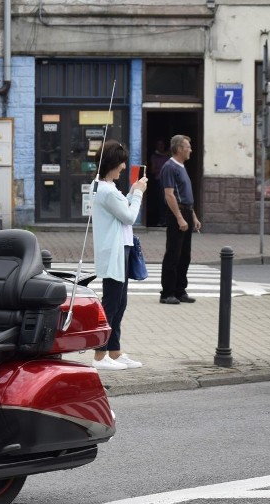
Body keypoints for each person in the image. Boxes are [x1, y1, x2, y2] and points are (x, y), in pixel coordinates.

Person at [91, 140, 147, 371]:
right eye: (122, 162)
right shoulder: (106, 190)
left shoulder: (104, 186)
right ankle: (99, 355)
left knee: (119, 302)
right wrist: (138, 194)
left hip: (119, 247)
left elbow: (120, 210)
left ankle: (114, 352)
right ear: (113, 163)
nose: (124, 167)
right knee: (112, 303)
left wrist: (131, 192)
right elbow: (129, 217)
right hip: (114, 250)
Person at [159, 134, 201, 305]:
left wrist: (193, 216)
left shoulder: (181, 166)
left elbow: (185, 196)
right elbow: (170, 195)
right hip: (177, 214)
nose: (190, 149)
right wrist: (179, 218)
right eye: (187, 146)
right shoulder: (169, 167)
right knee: (173, 254)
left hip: (186, 212)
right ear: (178, 149)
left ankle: (180, 290)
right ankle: (167, 292)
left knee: (185, 255)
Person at [148, 138, 170, 226]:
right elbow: (153, 170)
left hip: (169, 181)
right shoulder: (154, 156)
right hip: (160, 181)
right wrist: (163, 169)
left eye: (162, 144)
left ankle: (168, 220)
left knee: (169, 200)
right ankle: (162, 220)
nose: (161, 146)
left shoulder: (168, 155)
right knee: (162, 200)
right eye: (159, 145)